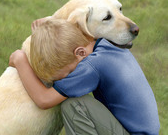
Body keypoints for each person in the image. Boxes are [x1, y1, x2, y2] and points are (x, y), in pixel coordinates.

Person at [9, 18, 160, 135]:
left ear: (80, 53)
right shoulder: (104, 42)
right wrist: (47, 29)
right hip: (141, 130)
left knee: (74, 104)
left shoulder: (92, 66)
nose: (66, 80)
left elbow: (44, 100)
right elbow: (73, 29)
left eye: (67, 74)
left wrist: (20, 60)